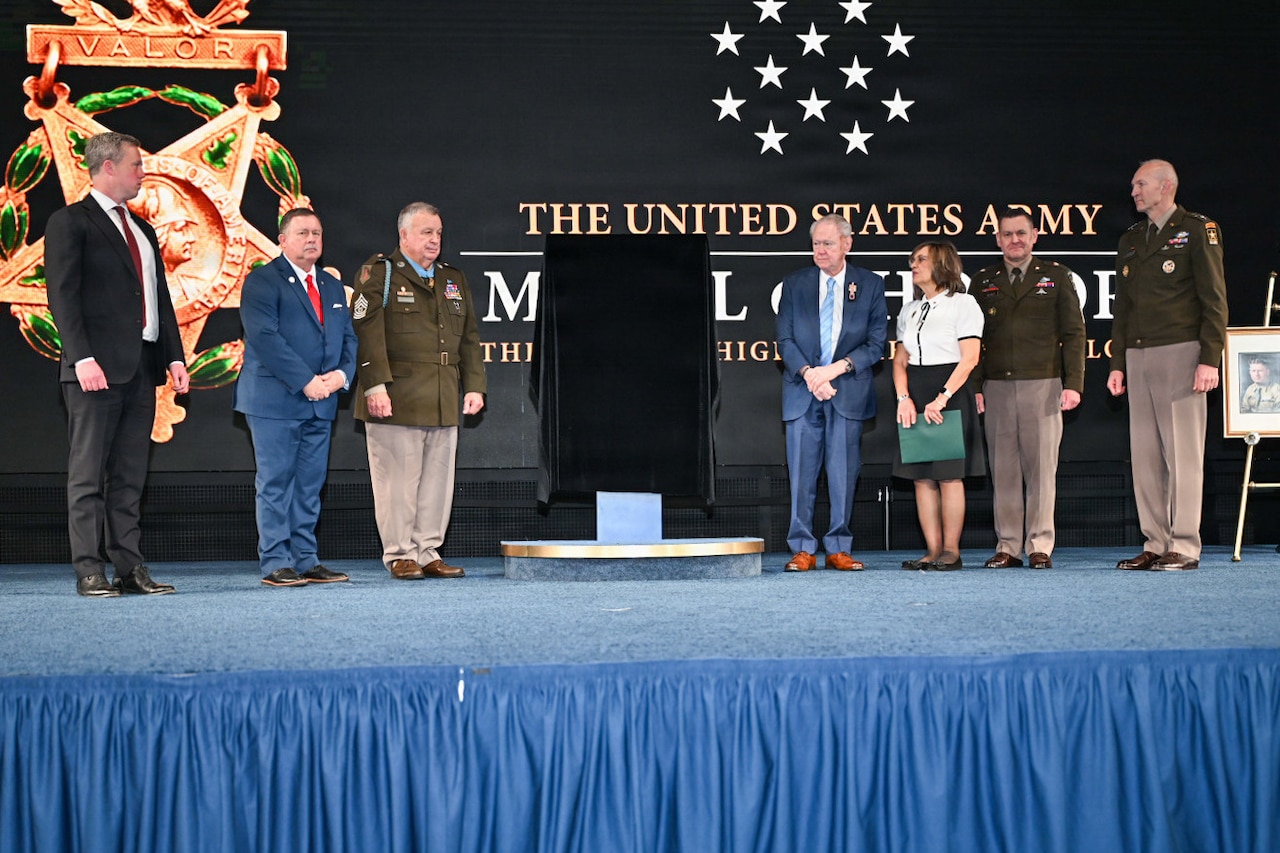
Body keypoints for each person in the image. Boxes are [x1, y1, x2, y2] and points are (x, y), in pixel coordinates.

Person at [44, 131, 189, 597]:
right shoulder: (71, 222)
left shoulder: (143, 229)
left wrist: (173, 355)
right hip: (94, 370)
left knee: (129, 475)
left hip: (141, 368)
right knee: (88, 474)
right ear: (108, 167)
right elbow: (62, 296)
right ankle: (89, 569)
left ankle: (129, 567)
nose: (142, 173)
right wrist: (82, 357)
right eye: (136, 165)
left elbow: (159, 299)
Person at [350, 202, 487, 580]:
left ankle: (427, 551)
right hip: (397, 396)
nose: (434, 239)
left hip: (442, 396)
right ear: (404, 235)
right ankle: (399, 554)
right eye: (426, 232)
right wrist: (375, 386)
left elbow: (469, 338)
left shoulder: (452, 278)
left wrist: (474, 386)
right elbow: (366, 334)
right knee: (397, 482)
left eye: (438, 233)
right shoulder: (380, 274)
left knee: (436, 484)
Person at [1108, 159, 1228, 571]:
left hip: (1182, 352)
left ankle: (1185, 544)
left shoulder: (1197, 230)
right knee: (1145, 457)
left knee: (1183, 455)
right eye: (1133, 185)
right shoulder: (1131, 239)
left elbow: (1214, 302)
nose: (1134, 192)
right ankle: (1155, 542)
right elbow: (1123, 309)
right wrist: (1118, 363)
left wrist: (1209, 359)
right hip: (1138, 355)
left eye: (1140, 184)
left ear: (1166, 186)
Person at [233, 208, 357, 587]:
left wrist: (341, 376)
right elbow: (265, 338)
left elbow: (348, 338)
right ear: (283, 240)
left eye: (316, 233)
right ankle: (275, 561)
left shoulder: (332, 286)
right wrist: (306, 381)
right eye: (303, 233)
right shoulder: (262, 281)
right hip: (274, 401)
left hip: (322, 402)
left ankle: (305, 559)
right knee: (275, 483)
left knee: (309, 485)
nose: (312, 239)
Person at [971, 208, 1086, 569]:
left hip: (1044, 385)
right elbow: (973, 340)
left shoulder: (1056, 276)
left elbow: (1074, 334)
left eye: (1021, 233)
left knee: (1041, 471)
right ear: (998, 239)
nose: (1015, 240)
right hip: (997, 387)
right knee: (1004, 471)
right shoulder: (983, 281)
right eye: (1007, 234)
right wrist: (976, 386)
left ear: (1034, 236)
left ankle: (1039, 545)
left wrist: (1074, 384)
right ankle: (1007, 546)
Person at [776, 213, 888, 572]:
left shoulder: (870, 284)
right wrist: (812, 374)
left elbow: (876, 345)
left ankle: (839, 547)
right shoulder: (794, 284)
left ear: (847, 244)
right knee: (801, 476)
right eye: (816, 244)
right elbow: (785, 340)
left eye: (828, 243)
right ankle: (802, 548)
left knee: (843, 474)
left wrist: (834, 370)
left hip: (847, 391)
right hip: (803, 390)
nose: (820, 250)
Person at [893, 241, 985, 570]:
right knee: (921, 478)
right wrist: (904, 398)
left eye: (921, 259)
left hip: (950, 393)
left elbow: (970, 358)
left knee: (948, 476)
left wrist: (943, 397)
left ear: (942, 264)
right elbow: (900, 360)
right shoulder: (909, 310)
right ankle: (932, 551)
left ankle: (951, 552)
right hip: (916, 394)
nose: (914, 265)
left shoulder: (963, 304)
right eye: (912, 259)